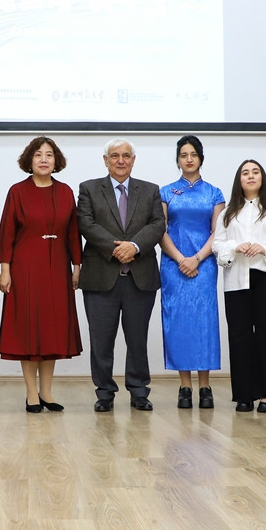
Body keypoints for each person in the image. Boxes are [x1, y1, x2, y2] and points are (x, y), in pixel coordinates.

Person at [78, 139, 166, 413]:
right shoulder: (89, 188)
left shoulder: (150, 190)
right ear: (105, 160)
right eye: (114, 155)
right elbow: (86, 223)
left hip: (140, 277)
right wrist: (117, 249)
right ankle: (104, 393)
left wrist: (135, 246)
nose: (120, 160)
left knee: (137, 340)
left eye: (126, 155)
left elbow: (158, 224)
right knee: (101, 341)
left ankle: (139, 391)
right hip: (100, 277)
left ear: (133, 160)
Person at [0, 137, 82, 413]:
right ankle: (31, 393)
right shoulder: (17, 191)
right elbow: (6, 233)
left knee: (50, 329)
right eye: (38, 155)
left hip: (57, 267)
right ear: (29, 160)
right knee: (28, 328)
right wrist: (5, 270)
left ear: (56, 161)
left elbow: (73, 232)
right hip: (25, 267)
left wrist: (77, 266)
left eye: (49, 155)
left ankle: (47, 391)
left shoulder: (66, 191)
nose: (43, 159)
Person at [212, 160, 266, 413]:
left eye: (255, 172)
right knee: (239, 337)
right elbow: (217, 244)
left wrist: (263, 248)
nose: (251, 176)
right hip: (236, 279)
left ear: (262, 177)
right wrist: (235, 246)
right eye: (245, 173)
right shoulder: (228, 212)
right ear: (239, 180)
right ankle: (243, 396)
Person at [158, 135, 225, 409]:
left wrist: (196, 259)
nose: (189, 159)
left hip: (204, 265)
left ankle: (205, 386)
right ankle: (184, 386)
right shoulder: (165, 192)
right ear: (177, 160)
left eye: (193, 154)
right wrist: (180, 259)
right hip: (173, 266)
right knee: (178, 323)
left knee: (204, 322)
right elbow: (160, 230)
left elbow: (217, 232)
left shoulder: (214, 193)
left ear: (201, 158)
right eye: (183, 154)